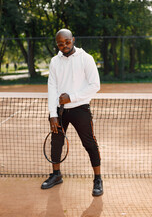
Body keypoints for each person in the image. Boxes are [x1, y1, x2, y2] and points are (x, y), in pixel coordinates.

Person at [41, 29, 103, 196]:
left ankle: (97, 179)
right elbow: (52, 88)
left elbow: (95, 85)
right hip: (59, 112)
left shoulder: (86, 58)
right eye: (60, 43)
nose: (64, 46)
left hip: (80, 109)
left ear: (73, 39)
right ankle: (56, 175)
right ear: (57, 44)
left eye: (67, 42)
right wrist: (52, 114)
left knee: (89, 143)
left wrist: (72, 97)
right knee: (56, 143)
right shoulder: (54, 61)